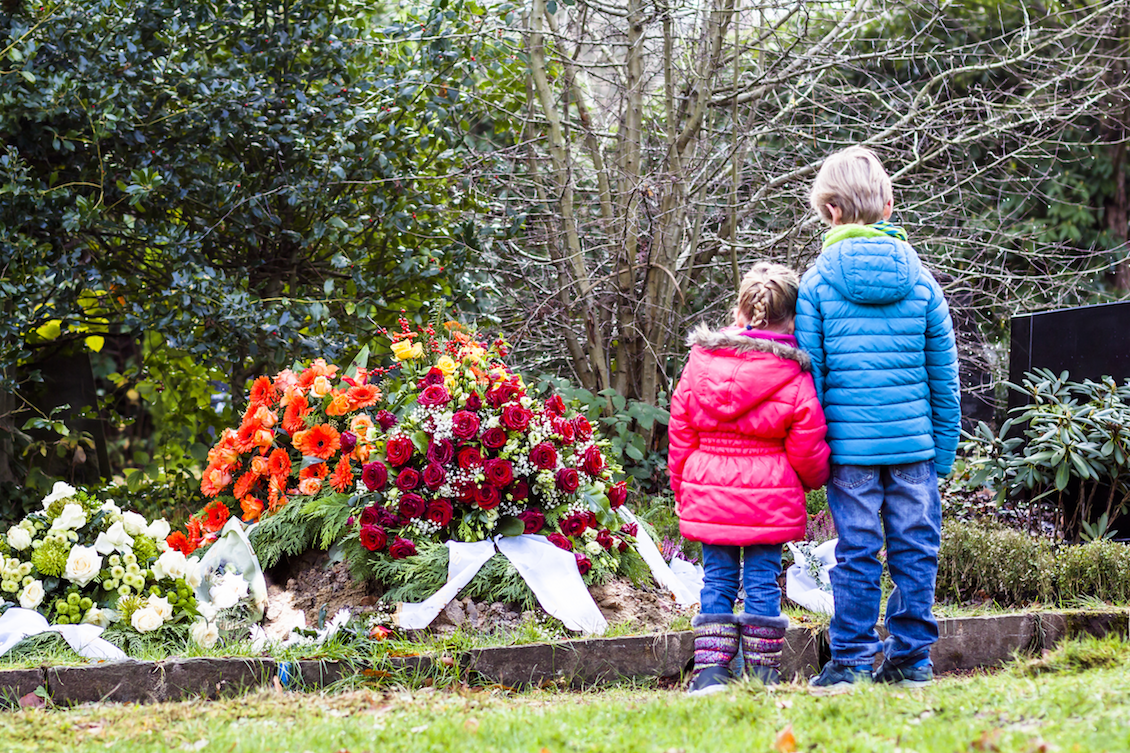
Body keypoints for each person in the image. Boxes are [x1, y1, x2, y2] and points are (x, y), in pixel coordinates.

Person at [794, 146, 961, 691]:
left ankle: (850, 661)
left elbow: (808, 381)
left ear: (831, 212)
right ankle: (911, 658)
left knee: (857, 550)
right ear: (888, 206)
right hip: (913, 447)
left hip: (850, 453)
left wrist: (812, 453)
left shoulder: (817, 284)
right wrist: (944, 447)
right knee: (917, 547)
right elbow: (944, 373)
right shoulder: (922, 282)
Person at [669, 261, 831, 695]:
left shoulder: (700, 363)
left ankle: (710, 674)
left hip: (709, 486)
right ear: (792, 319)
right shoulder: (794, 375)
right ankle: (761, 674)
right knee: (762, 581)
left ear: (739, 313)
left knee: (717, 579)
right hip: (769, 495)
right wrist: (812, 480)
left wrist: (683, 484)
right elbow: (807, 444)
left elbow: (681, 429)